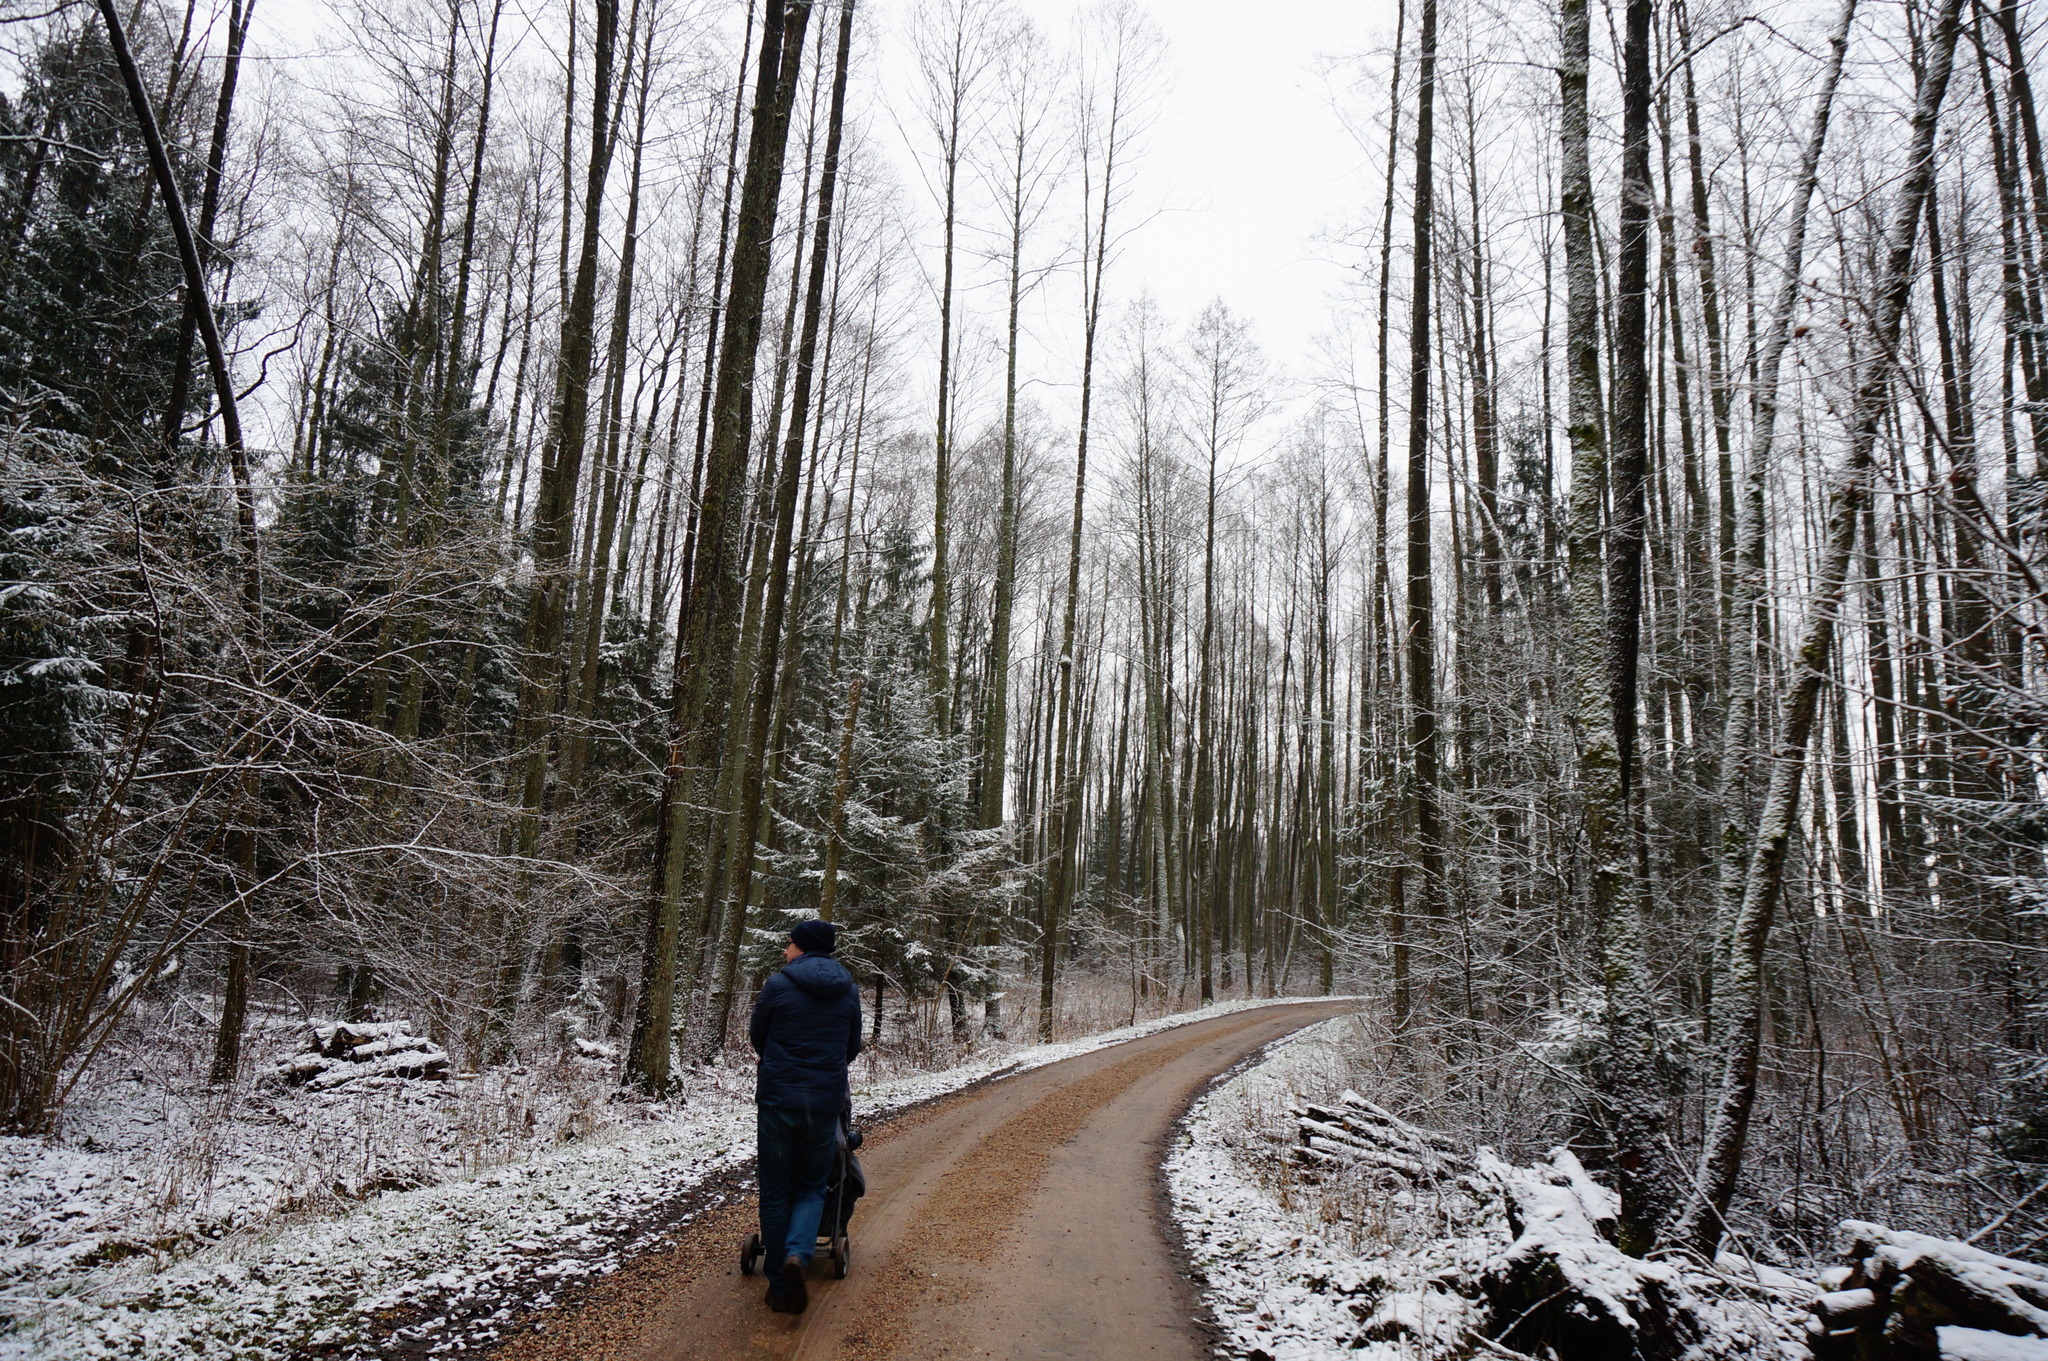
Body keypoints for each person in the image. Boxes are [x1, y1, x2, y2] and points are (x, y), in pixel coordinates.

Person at [749, 918, 862, 1314]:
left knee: (776, 1188)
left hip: (778, 1100)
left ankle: (779, 1282)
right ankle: (799, 1253)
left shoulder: (778, 985)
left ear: (802, 947)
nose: (785, 950)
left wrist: (780, 1062)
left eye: (790, 943)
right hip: (824, 1102)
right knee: (813, 1185)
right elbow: (852, 1047)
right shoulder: (848, 990)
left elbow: (757, 1036)